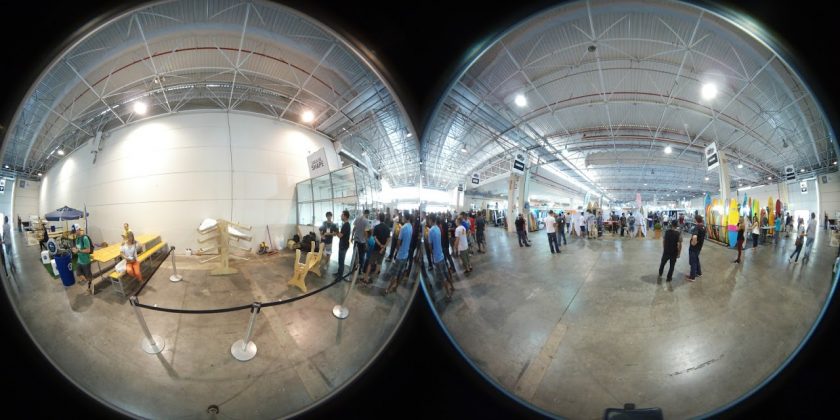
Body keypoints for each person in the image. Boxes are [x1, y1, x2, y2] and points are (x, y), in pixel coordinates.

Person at [384, 213, 413, 295]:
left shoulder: (403, 228)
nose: (402, 218)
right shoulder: (411, 227)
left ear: (405, 218)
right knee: (400, 273)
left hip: (400, 255)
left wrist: (397, 250)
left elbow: (399, 242)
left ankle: (388, 289)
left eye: (403, 216)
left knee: (395, 274)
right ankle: (395, 287)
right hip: (406, 254)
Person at [429, 214, 454, 300]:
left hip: (437, 258)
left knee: (443, 278)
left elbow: (430, 246)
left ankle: (448, 293)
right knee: (446, 274)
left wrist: (432, 256)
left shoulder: (431, 230)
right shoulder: (438, 229)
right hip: (442, 256)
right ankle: (452, 286)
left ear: (431, 220)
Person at [72, 227, 94, 294]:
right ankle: (86, 280)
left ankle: (89, 288)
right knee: (78, 273)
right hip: (79, 260)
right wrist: (74, 250)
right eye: (73, 232)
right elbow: (77, 248)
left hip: (86, 261)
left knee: (88, 276)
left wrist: (78, 250)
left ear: (78, 230)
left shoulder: (85, 238)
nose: (74, 233)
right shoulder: (77, 238)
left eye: (75, 231)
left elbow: (88, 250)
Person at [685, 215, 706, 282]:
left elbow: (694, 237)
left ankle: (692, 277)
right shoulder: (703, 227)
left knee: (693, 261)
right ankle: (699, 273)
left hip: (694, 248)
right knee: (696, 259)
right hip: (699, 246)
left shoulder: (696, 227)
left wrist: (693, 243)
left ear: (696, 220)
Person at [334, 210, 351, 279]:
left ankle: (340, 276)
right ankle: (339, 273)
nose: (341, 216)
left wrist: (336, 231)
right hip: (343, 245)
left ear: (345, 216)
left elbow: (340, 236)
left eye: (342, 215)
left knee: (341, 260)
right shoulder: (345, 224)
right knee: (340, 260)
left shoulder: (346, 225)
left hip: (343, 246)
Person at [352, 209, 370, 275]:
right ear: (367, 214)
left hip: (356, 240)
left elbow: (354, 229)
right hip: (362, 242)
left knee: (355, 255)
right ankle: (359, 271)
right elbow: (366, 232)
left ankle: (353, 268)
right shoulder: (366, 221)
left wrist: (352, 237)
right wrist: (366, 242)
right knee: (361, 256)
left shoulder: (357, 218)